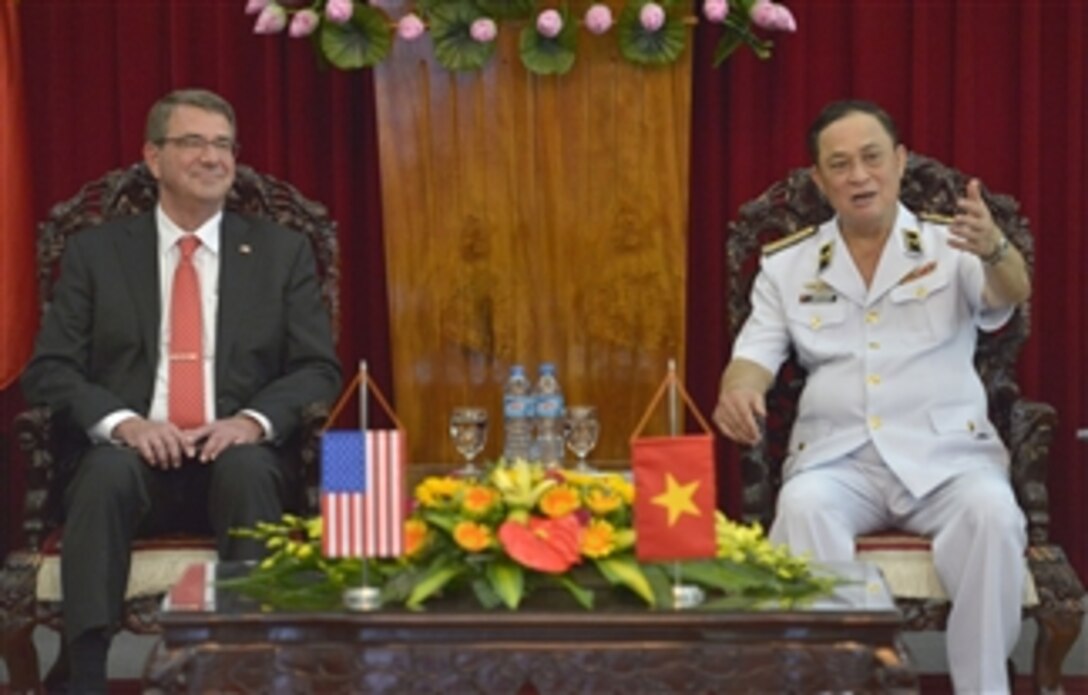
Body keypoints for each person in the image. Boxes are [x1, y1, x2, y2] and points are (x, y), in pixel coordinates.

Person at [21, 88, 342, 692]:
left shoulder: (281, 252)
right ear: (153, 157)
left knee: (248, 467)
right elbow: (51, 368)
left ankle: (250, 666)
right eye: (192, 142)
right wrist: (125, 423)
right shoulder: (96, 253)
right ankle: (84, 672)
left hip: (236, 461)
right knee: (105, 472)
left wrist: (250, 421)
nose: (212, 157)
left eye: (223, 144)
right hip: (131, 465)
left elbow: (318, 368)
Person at [713, 99, 1031, 694]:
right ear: (819, 179)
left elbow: (1009, 292)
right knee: (803, 507)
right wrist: (738, 393)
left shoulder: (953, 244)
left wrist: (994, 248)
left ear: (900, 161)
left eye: (871, 158)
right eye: (840, 164)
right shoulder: (788, 266)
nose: (859, 176)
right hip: (839, 460)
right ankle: (836, 684)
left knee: (994, 515)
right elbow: (753, 357)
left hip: (948, 462)